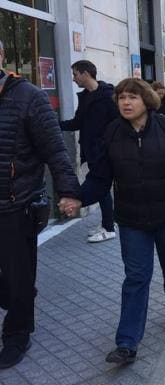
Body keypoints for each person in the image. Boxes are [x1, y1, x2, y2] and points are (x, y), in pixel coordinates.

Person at [60, 78, 165, 365]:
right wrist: (80, 198)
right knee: (136, 277)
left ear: (146, 101)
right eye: (121, 98)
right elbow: (100, 176)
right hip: (131, 220)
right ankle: (127, 342)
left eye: (132, 97)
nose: (126, 102)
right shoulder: (112, 133)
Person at [0, 39, 81, 369]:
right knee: (14, 285)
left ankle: (18, 332)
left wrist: (69, 192)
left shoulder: (28, 96)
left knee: (19, 275)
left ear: (2, 55)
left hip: (16, 205)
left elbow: (55, 150)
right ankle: (19, 300)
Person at [60, 60, 118, 243]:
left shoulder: (109, 95)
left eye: (75, 74)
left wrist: (106, 146)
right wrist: (54, 124)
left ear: (86, 74)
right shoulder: (84, 97)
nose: (73, 78)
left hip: (105, 153)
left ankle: (109, 227)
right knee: (103, 190)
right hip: (90, 151)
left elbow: (118, 124)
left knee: (99, 187)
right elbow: (77, 122)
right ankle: (109, 223)